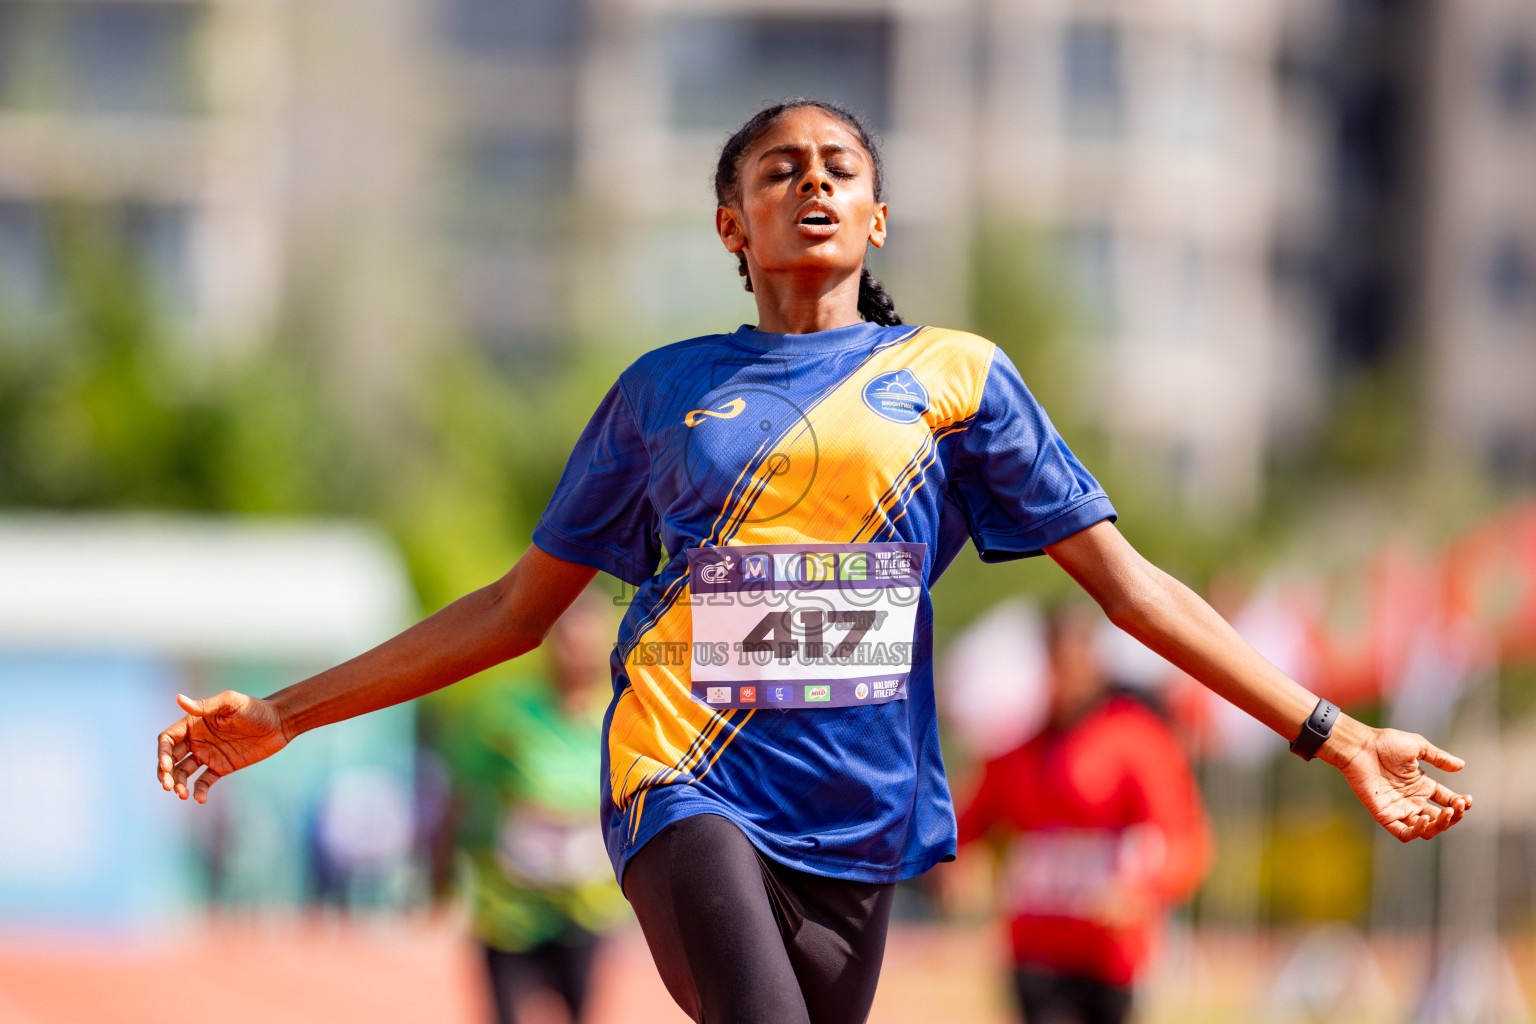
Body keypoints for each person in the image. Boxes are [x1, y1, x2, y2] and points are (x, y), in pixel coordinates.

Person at [158, 98, 1473, 1024]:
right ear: (729, 224)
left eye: (839, 163)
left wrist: (1331, 730)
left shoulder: (953, 382)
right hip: (680, 779)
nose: (813, 181)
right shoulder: (662, 393)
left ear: (881, 216)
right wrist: (282, 712)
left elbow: (1132, 588)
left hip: (858, 814)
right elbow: (516, 607)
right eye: (778, 169)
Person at [956, 604, 1210, 1024]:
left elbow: (1184, 839)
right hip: (1035, 945)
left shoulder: (1136, 740)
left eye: (1075, 662)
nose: (1065, 677)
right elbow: (968, 825)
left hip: (1110, 950)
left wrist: (1142, 890)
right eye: (1055, 663)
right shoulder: (1014, 747)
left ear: (1095, 662)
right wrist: (960, 867)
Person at [436, 591, 627, 1024]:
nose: (575, 651)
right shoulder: (504, 712)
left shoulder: (619, 714)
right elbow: (461, 794)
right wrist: (441, 867)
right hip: (510, 908)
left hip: (587, 906)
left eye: (586, 640)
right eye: (566, 638)